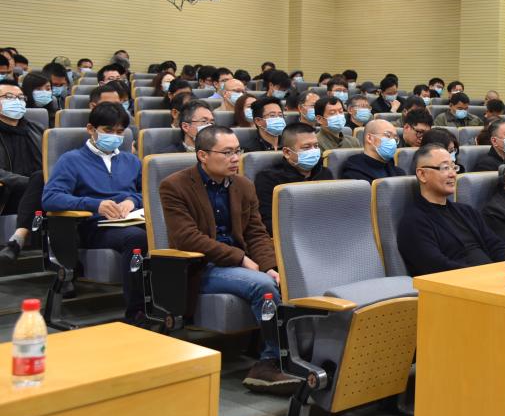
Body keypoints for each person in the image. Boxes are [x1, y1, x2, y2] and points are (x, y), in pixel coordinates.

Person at [160, 126, 299, 394]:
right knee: (262, 286)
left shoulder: (243, 185)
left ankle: (292, 354)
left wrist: (270, 266)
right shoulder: (175, 186)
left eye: (237, 151)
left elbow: (256, 232)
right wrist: (241, 259)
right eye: (226, 153)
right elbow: (187, 238)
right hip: (201, 266)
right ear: (202, 155)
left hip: (239, 265)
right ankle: (270, 362)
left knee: (286, 277)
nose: (235, 158)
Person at [41, 102, 147, 323]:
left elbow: (146, 193)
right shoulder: (71, 160)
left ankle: (168, 306)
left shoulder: (131, 160)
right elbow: (50, 198)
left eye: (120, 132)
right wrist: (94, 204)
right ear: (91, 129)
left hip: (130, 219)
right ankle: (137, 312)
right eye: (108, 131)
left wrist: (131, 200)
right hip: (94, 227)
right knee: (137, 238)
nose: (115, 137)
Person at [397, 143, 505, 276]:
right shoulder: (414, 221)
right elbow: (435, 265)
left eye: (454, 167)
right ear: (422, 174)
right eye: (445, 168)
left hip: (493, 277)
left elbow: (496, 246)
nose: (453, 174)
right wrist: (482, 275)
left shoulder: (467, 212)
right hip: (459, 283)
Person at [254, 123, 333, 231]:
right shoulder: (268, 179)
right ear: (287, 152)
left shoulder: (325, 173)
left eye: (316, 146)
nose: (313, 151)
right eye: (306, 147)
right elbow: (269, 222)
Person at [0, 81, 44, 264]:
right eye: (9, 97)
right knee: (40, 180)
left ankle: (17, 241)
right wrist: (31, 183)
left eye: (20, 97)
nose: (16, 101)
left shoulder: (38, 130)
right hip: (8, 194)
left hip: (42, 190)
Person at [339, 119, 405, 183]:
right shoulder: (354, 174)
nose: (393, 141)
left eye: (395, 138)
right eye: (388, 135)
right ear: (370, 138)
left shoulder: (399, 173)